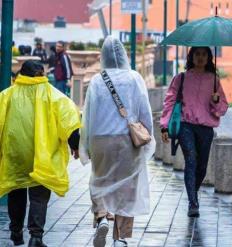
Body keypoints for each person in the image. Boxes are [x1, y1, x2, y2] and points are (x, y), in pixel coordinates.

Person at [79, 36, 155, 247]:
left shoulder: (96, 80)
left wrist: (86, 145)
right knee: (127, 187)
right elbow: (144, 112)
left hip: (100, 140)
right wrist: (146, 136)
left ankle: (102, 216)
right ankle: (120, 237)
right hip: (126, 141)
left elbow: (88, 115)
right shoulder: (135, 78)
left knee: (100, 180)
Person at [0, 60, 82, 247]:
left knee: (16, 191)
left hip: (15, 154)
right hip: (42, 155)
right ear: (42, 74)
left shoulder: (7, 95)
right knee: (39, 195)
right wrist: (75, 145)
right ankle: (36, 237)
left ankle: (15, 232)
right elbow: (69, 120)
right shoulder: (53, 95)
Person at [160, 47, 228, 218]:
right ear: (191, 57)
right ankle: (193, 202)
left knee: (202, 167)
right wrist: (164, 126)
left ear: (208, 57)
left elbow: (222, 108)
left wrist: (216, 100)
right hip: (185, 126)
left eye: (203, 54)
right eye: (197, 54)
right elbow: (169, 102)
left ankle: (193, 194)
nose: (200, 57)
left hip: (206, 129)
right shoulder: (181, 78)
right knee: (191, 160)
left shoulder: (214, 81)